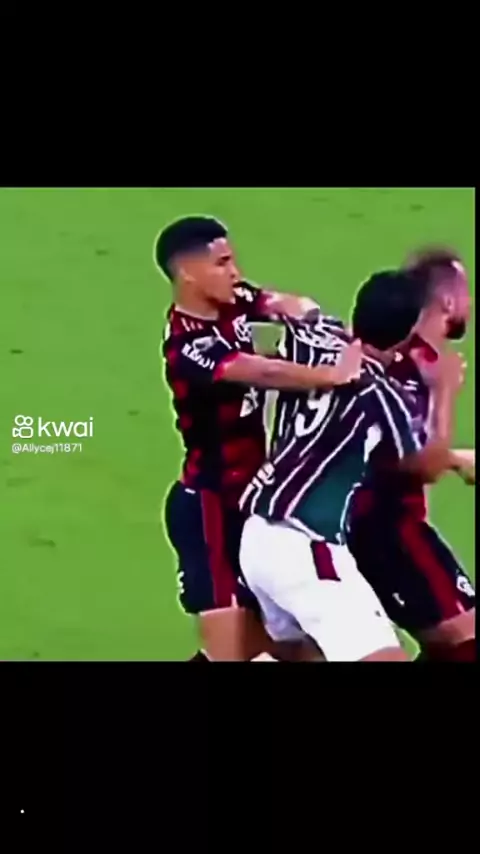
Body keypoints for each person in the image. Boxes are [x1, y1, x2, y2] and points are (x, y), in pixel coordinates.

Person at [155, 216, 363, 661]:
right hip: (209, 509)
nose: (235, 272)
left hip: (255, 503)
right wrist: (330, 375)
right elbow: (260, 371)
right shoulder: (186, 346)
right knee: (231, 653)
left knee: (292, 647)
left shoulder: (233, 302)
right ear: (188, 273)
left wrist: (314, 320)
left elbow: (282, 303)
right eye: (222, 263)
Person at [239, 268, 459, 662]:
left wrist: (285, 305)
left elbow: (289, 306)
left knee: (298, 655)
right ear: (407, 335)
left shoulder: (312, 336)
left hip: (255, 536)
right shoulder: (384, 397)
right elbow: (426, 466)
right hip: (306, 545)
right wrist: (443, 391)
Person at [347, 248, 475, 661]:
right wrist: (445, 393)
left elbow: (388, 442)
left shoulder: (402, 355)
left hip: (373, 523)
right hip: (384, 526)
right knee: (464, 636)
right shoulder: (416, 366)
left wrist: (456, 459)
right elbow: (418, 464)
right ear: (449, 301)